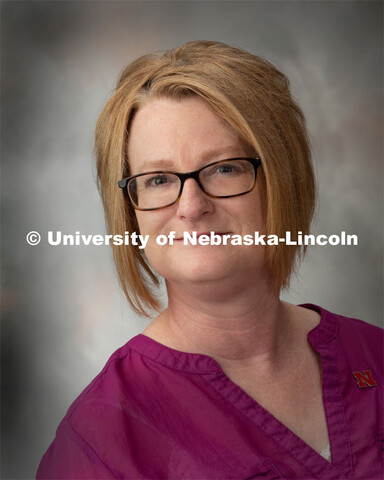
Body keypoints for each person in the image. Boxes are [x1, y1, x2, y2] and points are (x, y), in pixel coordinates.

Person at [37, 41, 383, 479]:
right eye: (159, 179)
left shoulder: (375, 356)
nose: (191, 206)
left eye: (224, 169)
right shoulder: (99, 436)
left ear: (282, 179)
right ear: (130, 209)